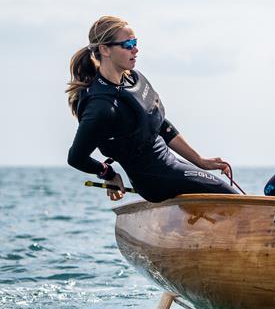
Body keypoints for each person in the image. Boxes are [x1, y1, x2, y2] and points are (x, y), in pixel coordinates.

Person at [66, 15, 238, 202]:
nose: (136, 49)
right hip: (154, 181)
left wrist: (200, 160)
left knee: (225, 193)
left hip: (171, 164)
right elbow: (76, 158)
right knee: (227, 195)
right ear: (105, 49)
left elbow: (160, 124)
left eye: (135, 42)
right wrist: (109, 174)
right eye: (128, 44)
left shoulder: (132, 79)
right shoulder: (102, 107)